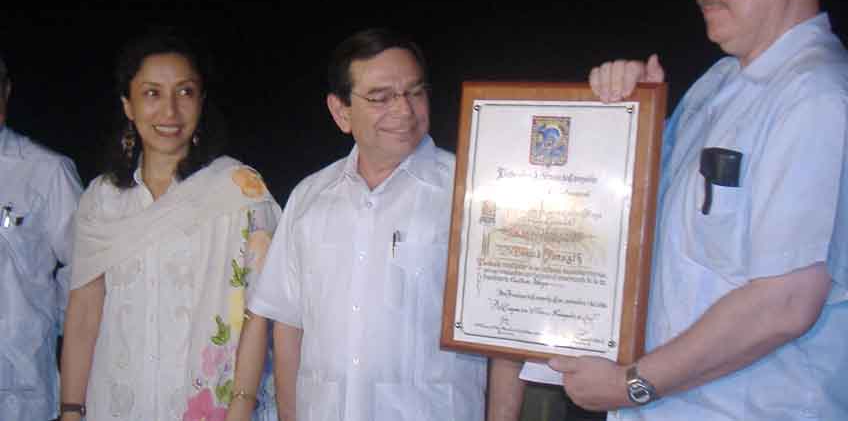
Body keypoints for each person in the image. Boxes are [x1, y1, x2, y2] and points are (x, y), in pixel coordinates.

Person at [498, 0, 848, 420]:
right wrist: (626, 122)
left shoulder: (820, 99)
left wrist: (632, 385)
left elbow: (785, 303)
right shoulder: (720, 85)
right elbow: (637, 228)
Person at [241, 28, 487, 421]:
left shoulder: (471, 194)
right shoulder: (309, 198)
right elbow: (288, 324)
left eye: (415, 92)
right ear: (341, 112)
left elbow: (507, 339)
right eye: (381, 97)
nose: (404, 110)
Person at [59, 31, 281, 420]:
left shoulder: (239, 190)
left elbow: (260, 312)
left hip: (211, 407)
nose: (170, 111)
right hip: (116, 404)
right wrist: (71, 410)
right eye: (151, 94)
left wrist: (241, 406)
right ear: (128, 104)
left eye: (185, 92)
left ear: (202, 101)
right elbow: (83, 314)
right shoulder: (102, 199)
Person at [0, 54, 83, 420]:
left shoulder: (47, 171)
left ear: (5, 90)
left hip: (20, 387)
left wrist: (40, 329)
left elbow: (84, 269)